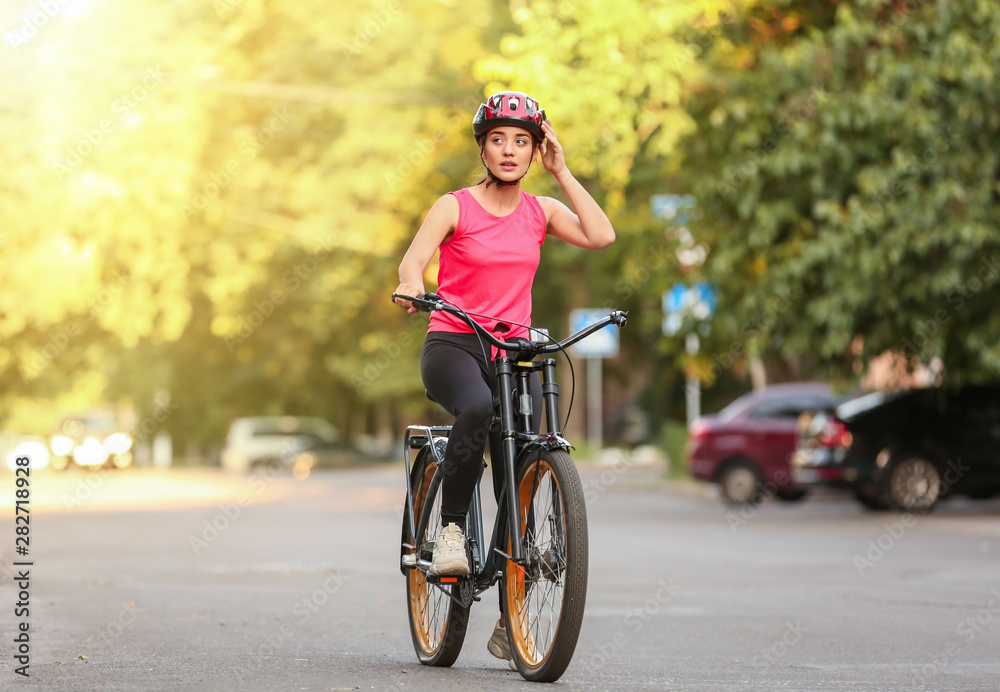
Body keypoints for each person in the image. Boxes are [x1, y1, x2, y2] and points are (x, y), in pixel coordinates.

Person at [392, 90, 615, 667]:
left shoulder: (540, 211)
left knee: (519, 464)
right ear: (483, 148)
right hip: (454, 342)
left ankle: (507, 615)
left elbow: (601, 234)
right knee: (476, 410)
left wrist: (563, 173)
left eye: (523, 140)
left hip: (511, 349)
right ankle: (447, 535)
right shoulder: (454, 206)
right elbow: (413, 260)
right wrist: (413, 286)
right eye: (499, 139)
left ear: (536, 148)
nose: (510, 150)